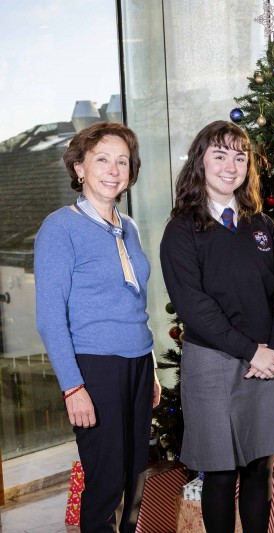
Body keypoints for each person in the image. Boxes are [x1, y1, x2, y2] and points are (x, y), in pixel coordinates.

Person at [160, 121, 274, 533]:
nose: (230, 165)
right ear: (200, 163)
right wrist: (251, 351)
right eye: (219, 155)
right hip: (214, 364)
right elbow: (194, 307)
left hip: (269, 362)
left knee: (260, 467)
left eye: (240, 157)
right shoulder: (181, 230)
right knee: (220, 473)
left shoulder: (262, 226)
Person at [35, 121, 160, 532]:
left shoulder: (130, 227)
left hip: (138, 363)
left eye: (122, 161)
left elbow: (136, 302)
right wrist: (73, 386)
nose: (113, 169)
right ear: (79, 168)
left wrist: (153, 367)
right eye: (102, 159)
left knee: (135, 478)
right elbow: (51, 317)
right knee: (106, 483)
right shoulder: (60, 228)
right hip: (94, 367)